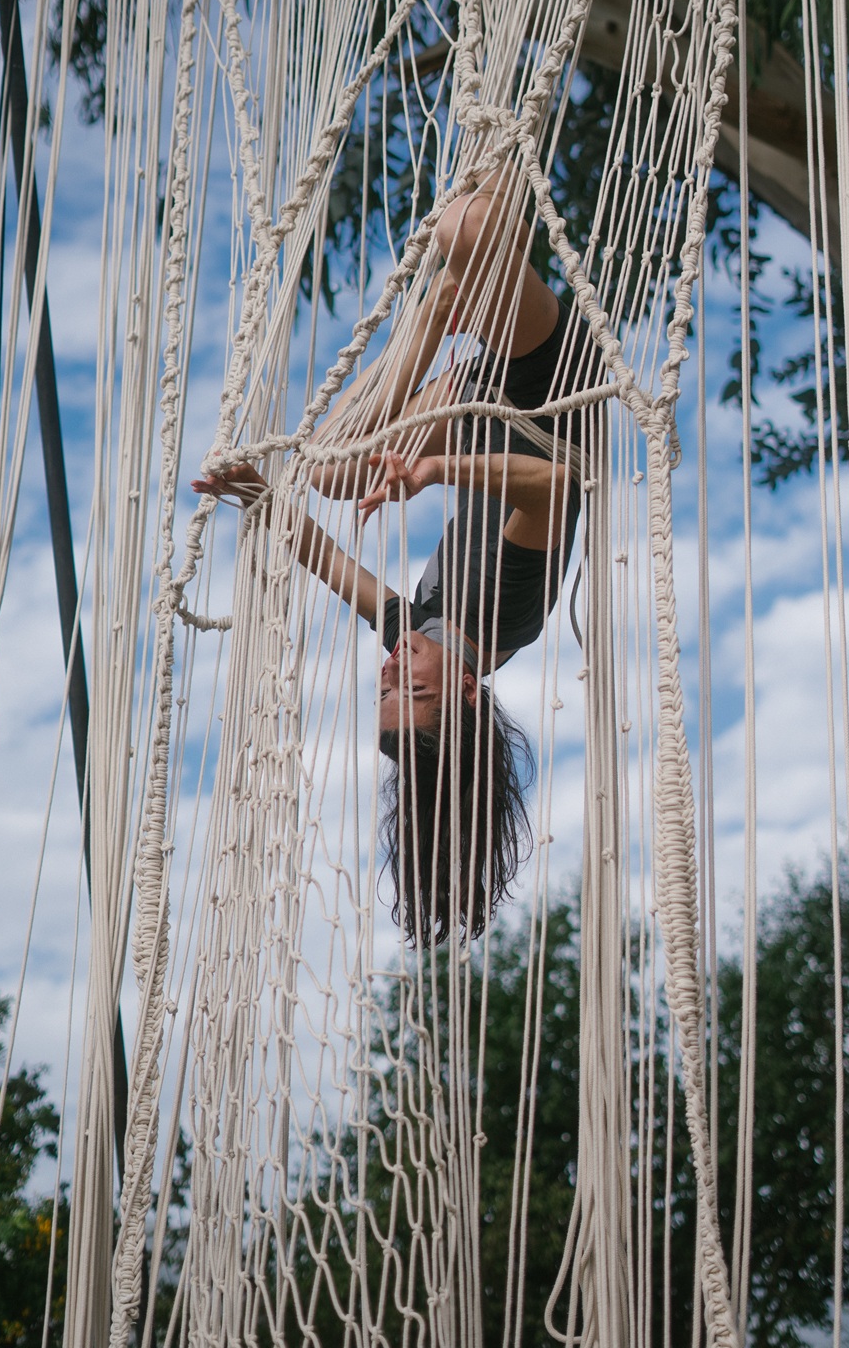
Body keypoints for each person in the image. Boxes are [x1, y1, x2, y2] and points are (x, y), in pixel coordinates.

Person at [193, 169, 592, 944]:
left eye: (384, 693)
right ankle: (455, 289)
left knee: (328, 472)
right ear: (470, 697)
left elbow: (328, 559)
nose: (390, 675)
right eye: (411, 694)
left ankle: (436, 311)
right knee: (464, 231)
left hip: (470, 406)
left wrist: (259, 498)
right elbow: (558, 486)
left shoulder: (418, 629)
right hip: (548, 385)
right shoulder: (509, 616)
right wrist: (434, 472)